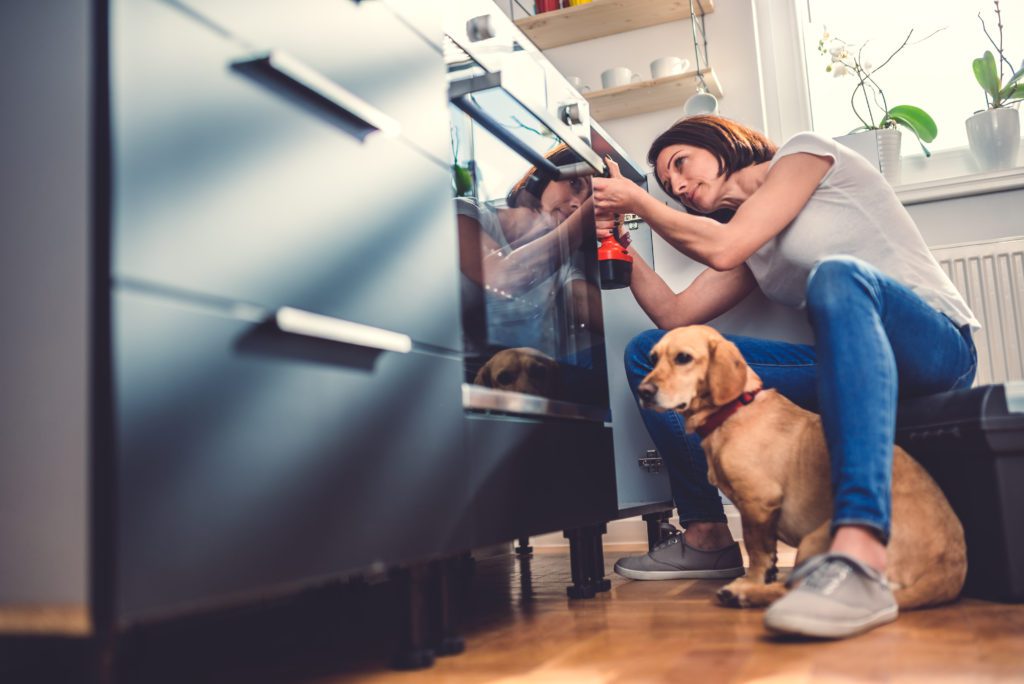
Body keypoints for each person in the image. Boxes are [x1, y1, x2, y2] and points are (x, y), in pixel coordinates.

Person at [592, 114, 979, 638]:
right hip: (845, 367)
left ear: (719, 140)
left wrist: (637, 200)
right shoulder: (754, 247)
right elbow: (675, 315)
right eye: (667, 184)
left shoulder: (807, 154)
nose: (678, 185)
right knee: (651, 352)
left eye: (680, 164)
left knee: (837, 275)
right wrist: (620, 239)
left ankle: (859, 548)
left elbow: (724, 246)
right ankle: (707, 533)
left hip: (932, 350)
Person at [457, 144, 603, 394]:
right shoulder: (468, 213)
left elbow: (588, 307)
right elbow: (501, 278)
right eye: (575, 185)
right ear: (542, 175)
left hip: (535, 379)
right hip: (467, 375)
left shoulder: (562, 260)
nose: (578, 204)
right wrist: (592, 210)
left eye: (587, 200)